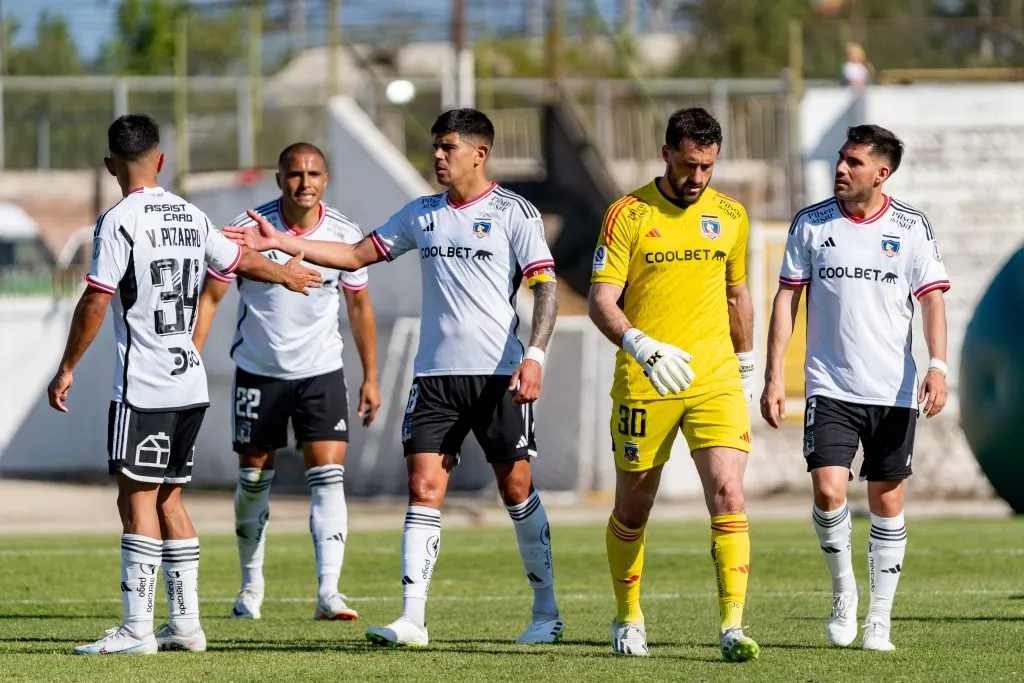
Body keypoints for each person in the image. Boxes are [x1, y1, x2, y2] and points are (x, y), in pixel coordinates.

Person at [223, 108, 563, 647]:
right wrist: (284, 243)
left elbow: (547, 288)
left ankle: (546, 612)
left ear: (480, 152)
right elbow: (356, 254)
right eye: (435, 146)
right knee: (424, 488)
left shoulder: (513, 213)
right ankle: (413, 618)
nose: (438, 156)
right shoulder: (421, 213)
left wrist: (536, 356)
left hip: (499, 376)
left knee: (515, 488)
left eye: (448, 146)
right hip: (434, 380)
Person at [46, 114, 322, 656]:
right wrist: (287, 271)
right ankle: (187, 625)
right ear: (161, 160)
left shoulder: (118, 220)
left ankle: (136, 629)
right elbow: (237, 258)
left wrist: (67, 366)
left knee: (137, 501)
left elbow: (97, 298)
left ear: (110, 166)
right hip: (188, 383)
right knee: (170, 498)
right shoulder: (190, 214)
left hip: (143, 386)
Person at [761, 124, 950, 651]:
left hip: (892, 390)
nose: (841, 169)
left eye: (854, 162)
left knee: (887, 499)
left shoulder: (912, 227)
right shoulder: (811, 223)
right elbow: (786, 300)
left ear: (881, 173)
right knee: (828, 490)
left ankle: (879, 620)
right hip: (830, 385)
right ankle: (844, 589)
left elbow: (933, 298)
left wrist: (938, 365)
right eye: (841, 160)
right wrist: (776, 374)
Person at [587, 107, 759, 661]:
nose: (698, 178)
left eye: (708, 166)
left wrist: (749, 363)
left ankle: (733, 626)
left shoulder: (732, 215)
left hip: (713, 378)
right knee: (634, 507)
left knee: (729, 492)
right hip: (645, 379)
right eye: (689, 165)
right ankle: (627, 615)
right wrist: (640, 344)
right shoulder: (628, 214)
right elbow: (601, 301)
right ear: (666, 154)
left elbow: (737, 294)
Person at [192, 143, 381, 622]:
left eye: (314, 172)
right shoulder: (246, 230)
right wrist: (190, 358)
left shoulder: (343, 234)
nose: (305, 182)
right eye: (294, 174)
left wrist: (371, 376)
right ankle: (251, 588)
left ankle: (328, 593)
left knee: (328, 479)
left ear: (326, 178)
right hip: (259, 372)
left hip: (321, 372)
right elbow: (210, 298)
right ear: (279, 179)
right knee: (254, 482)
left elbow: (359, 307)